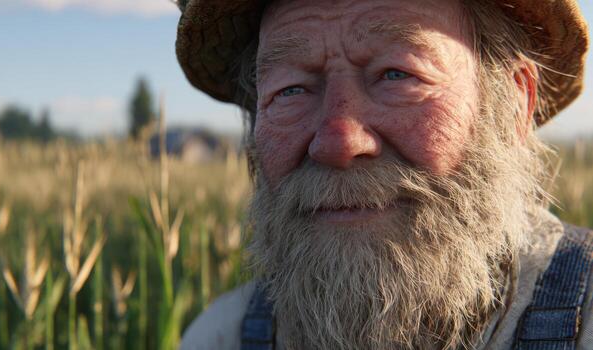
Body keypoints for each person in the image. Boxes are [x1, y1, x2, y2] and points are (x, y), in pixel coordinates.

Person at [175, 0, 591, 348]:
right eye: (290, 89)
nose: (338, 142)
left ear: (517, 104)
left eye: (398, 74)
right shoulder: (220, 335)